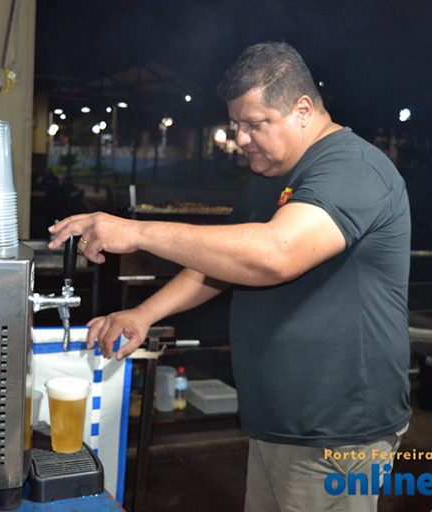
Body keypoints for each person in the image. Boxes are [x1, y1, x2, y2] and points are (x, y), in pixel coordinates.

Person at [48, 41, 411, 511]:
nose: (240, 139)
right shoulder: (270, 176)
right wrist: (144, 314)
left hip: (335, 431)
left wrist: (136, 232)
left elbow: (275, 255)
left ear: (303, 110)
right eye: (236, 124)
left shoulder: (352, 168)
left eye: (255, 124)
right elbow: (222, 264)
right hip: (277, 421)